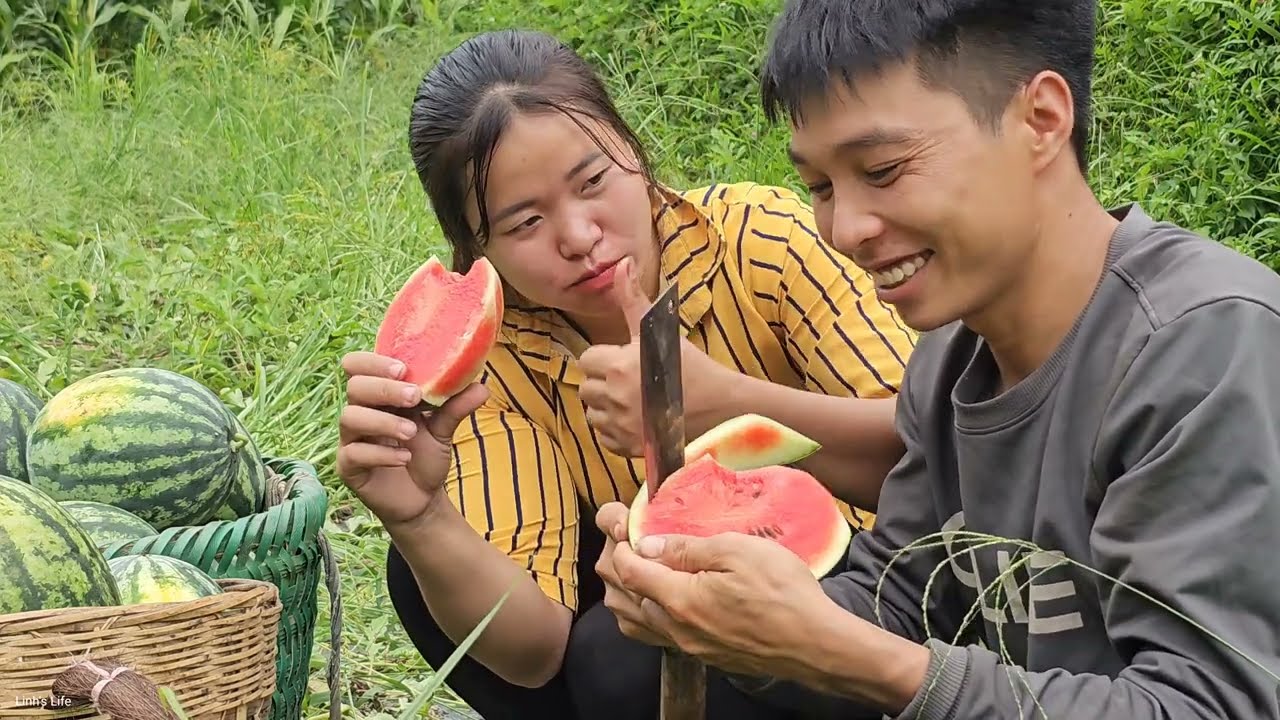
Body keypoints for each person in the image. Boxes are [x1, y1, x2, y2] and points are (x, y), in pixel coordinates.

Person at [593, 1, 1280, 719]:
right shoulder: (949, 360)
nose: (847, 229)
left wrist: (857, 658)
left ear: (1041, 119)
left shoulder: (1202, 347)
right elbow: (901, 597)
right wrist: (729, 616)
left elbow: (1212, 706)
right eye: (821, 188)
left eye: (884, 169)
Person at [334, 29, 918, 720]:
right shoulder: (491, 364)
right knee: (436, 575)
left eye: (593, 182)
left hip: (865, 587)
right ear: (475, 247)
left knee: (621, 661)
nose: (580, 235)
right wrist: (421, 516)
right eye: (525, 223)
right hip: (641, 628)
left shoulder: (761, 241)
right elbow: (534, 653)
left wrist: (720, 405)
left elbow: (937, 456)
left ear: (633, 155)